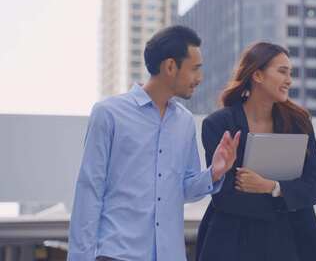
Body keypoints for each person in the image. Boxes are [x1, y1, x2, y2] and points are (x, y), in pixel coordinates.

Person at [67, 25, 240, 261]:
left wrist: (214, 174)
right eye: (195, 69)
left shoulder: (185, 122)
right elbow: (89, 192)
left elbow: (185, 189)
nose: (199, 78)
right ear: (170, 66)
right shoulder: (109, 114)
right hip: (117, 254)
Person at [195, 42, 316, 261]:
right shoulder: (219, 124)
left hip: (291, 241)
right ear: (257, 75)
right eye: (282, 72)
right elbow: (225, 196)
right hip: (234, 242)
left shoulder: (299, 123)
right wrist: (287, 201)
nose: (289, 80)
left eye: (290, 73)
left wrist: (271, 187)